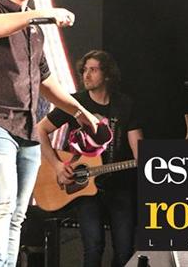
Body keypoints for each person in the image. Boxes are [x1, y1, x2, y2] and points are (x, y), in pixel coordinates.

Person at [0, 0, 99, 267]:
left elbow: (47, 82)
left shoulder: (35, 31)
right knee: (2, 201)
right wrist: (45, 13)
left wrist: (81, 112)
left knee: (17, 214)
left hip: (27, 130)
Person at [39, 50, 143, 267]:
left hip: (119, 186)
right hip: (84, 188)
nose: (86, 75)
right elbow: (40, 130)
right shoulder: (75, 103)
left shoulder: (125, 104)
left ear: (107, 75)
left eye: (93, 70)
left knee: (125, 252)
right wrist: (57, 166)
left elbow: (139, 150)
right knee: (93, 248)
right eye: (84, 70)